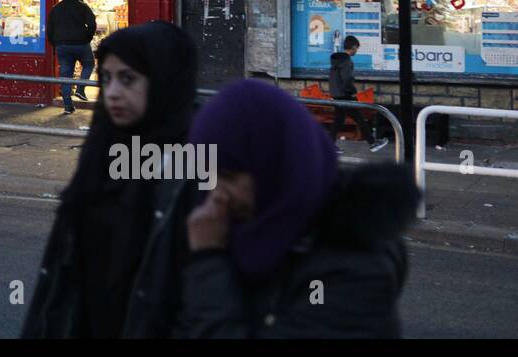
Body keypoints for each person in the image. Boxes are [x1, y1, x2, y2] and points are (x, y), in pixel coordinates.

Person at [178, 79, 417, 338]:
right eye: (209, 176)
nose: (216, 194)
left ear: (274, 168)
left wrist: (207, 263)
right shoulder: (244, 229)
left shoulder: (353, 270)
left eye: (228, 176)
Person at [22, 21, 200, 338]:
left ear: (163, 79)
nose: (113, 92)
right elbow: (60, 277)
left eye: (128, 79)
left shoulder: (196, 165)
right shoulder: (101, 149)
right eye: (106, 78)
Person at [328, 35, 387, 153]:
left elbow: (334, 79)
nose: (357, 51)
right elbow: (347, 79)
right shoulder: (347, 61)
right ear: (353, 47)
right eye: (357, 49)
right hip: (346, 95)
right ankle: (373, 143)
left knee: (338, 121)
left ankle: (328, 146)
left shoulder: (336, 60)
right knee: (359, 118)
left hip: (337, 94)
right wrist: (352, 92)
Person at [47, 0, 97, 114]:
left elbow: (49, 30)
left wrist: (55, 44)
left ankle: (68, 106)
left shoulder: (56, 9)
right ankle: (80, 89)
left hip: (62, 46)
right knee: (89, 63)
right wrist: (87, 37)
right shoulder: (83, 7)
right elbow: (92, 24)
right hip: (81, 44)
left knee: (66, 75)